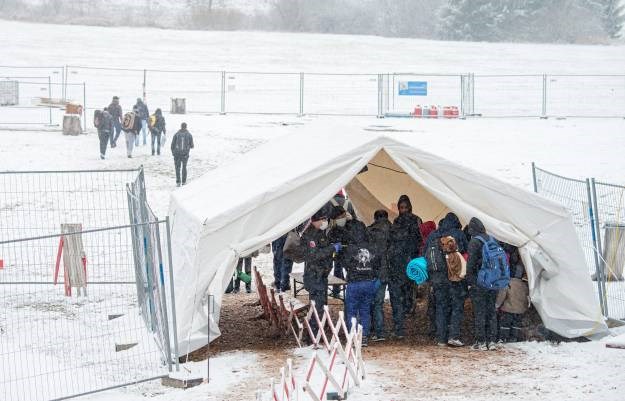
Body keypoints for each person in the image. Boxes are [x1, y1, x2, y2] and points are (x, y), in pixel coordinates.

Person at [424, 212, 468, 347]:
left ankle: (441, 338)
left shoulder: (433, 235)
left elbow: (424, 254)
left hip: (437, 277)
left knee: (441, 307)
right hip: (453, 276)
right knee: (456, 306)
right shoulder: (459, 234)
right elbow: (465, 250)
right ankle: (453, 335)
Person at [338, 207, 377, 347]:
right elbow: (376, 262)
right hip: (369, 282)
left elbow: (344, 263)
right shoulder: (371, 247)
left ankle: (353, 335)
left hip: (354, 282)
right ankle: (364, 336)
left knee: (352, 310)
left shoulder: (349, 248)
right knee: (365, 310)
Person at [387, 195, 423, 339]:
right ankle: (402, 318)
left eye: (405, 207)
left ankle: (405, 315)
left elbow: (418, 240)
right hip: (401, 263)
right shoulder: (399, 221)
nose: (403, 210)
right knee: (403, 293)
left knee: (407, 291)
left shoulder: (413, 220)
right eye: (401, 208)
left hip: (408, 261)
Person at [301, 209, 337, 339]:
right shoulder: (310, 235)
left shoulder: (320, 232)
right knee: (317, 308)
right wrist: (332, 248)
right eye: (323, 220)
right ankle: (313, 336)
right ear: (316, 221)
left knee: (320, 306)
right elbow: (315, 255)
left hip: (321, 276)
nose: (325, 222)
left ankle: (316, 332)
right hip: (314, 277)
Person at [465, 217, 498, 351]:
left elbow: (471, 264)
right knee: (491, 311)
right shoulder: (492, 239)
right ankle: (492, 341)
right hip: (493, 281)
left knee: (479, 312)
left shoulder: (474, 242)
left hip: (480, 282)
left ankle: (481, 341)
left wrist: (470, 281)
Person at [496, 245, 529, 342]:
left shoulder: (507, 283)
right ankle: (514, 338)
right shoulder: (524, 285)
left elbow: (502, 295)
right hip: (520, 309)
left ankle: (503, 338)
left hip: (508, 309)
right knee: (516, 324)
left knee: (505, 325)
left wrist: (497, 305)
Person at [368, 209, 391, 342]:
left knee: (371, 303)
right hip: (387, 271)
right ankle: (380, 331)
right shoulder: (393, 230)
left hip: (372, 272)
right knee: (379, 303)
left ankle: (372, 329)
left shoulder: (370, 231)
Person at [171, 123, 194, 187]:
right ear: (186, 127)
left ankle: (178, 182)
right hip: (185, 155)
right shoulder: (189, 135)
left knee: (177, 168)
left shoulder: (176, 134)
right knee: (184, 168)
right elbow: (192, 146)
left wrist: (173, 153)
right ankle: (184, 182)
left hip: (177, 154)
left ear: (181, 127)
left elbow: (172, 145)